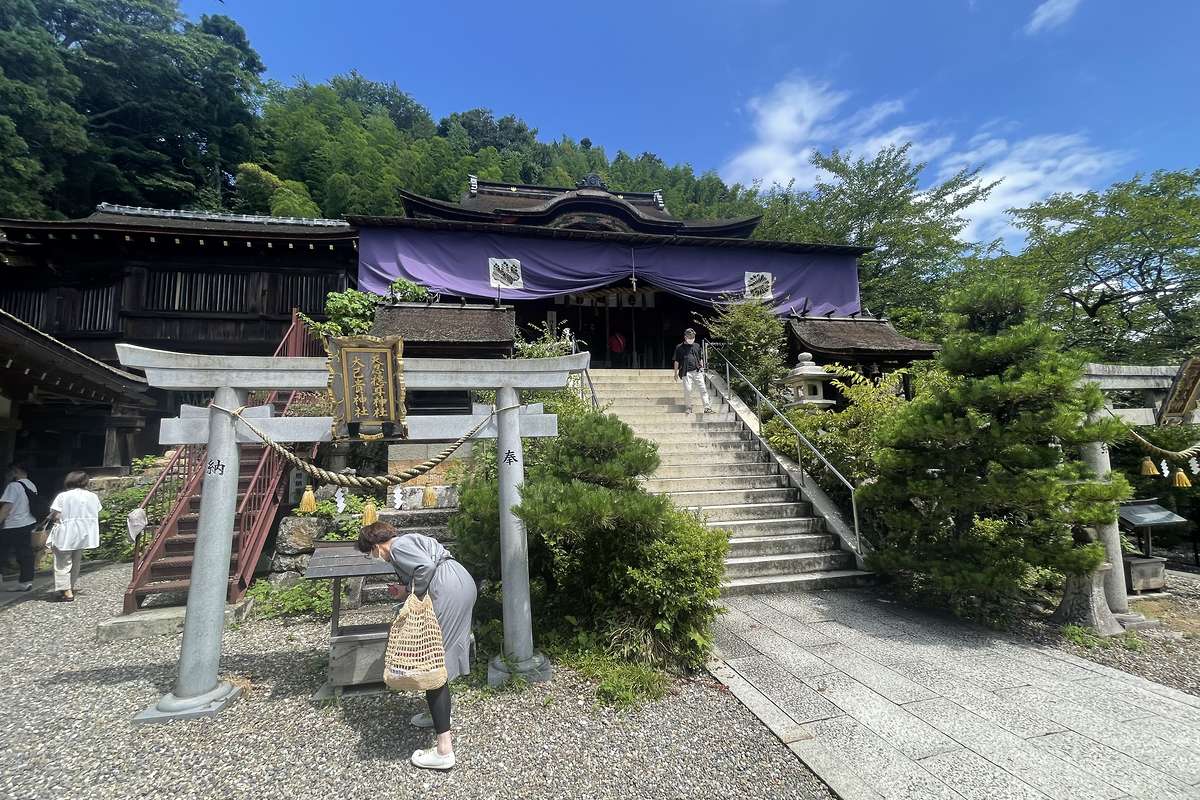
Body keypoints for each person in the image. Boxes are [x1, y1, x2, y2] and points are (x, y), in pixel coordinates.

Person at [357, 521, 476, 771]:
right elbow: (425, 567)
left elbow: (426, 566)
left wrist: (413, 595)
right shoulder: (406, 541)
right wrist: (406, 590)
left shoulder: (397, 547)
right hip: (457, 582)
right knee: (440, 657)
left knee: (432, 663)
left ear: (376, 545)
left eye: (369, 551)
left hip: (446, 587)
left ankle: (444, 750)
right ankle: (438, 717)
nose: (373, 557)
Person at [46, 471, 102, 602]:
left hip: (65, 532)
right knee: (76, 561)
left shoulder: (63, 496)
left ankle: (66, 591)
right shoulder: (92, 496)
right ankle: (69, 586)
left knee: (62, 562)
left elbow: (56, 515)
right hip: (83, 533)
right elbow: (96, 511)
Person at [0, 463, 40, 592]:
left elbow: (7, 507)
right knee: (25, 553)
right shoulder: (31, 485)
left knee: (2, 552)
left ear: (16, 471)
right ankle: (26, 581)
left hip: (13, 524)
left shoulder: (13, 486)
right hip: (28, 522)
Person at [672, 327, 713, 413]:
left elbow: (700, 357)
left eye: (693, 337)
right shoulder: (679, 347)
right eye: (690, 337)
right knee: (688, 390)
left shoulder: (697, 346)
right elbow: (676, 361)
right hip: (686, 371)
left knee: (703, 389)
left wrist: (702, 365)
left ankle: (707, 407)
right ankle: (688, 407)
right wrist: (675, 373)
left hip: (697, 370)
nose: (691, 339)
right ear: (685, 337)